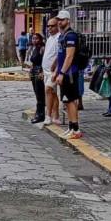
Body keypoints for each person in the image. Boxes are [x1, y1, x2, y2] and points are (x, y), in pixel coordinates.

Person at [53, 10, 82, 139]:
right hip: (63, 73)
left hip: (69, 74)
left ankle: (75, 129)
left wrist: (62, 73)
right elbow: (60, 56)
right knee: (66, 101)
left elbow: (69, 57)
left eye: (62, 20)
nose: (60, 22)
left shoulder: (70, 36)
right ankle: (71, 127)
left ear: (68, 21)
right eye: (58, 19)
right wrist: (56, 72)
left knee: (70, 101)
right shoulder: (62, 36)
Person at [42, 18, 61, 126]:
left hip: (53, 71)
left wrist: (55, 66)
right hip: (46, 71)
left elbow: (59, 54)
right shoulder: (50, 38)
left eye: (52, 26)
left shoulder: (59, 38)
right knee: (52, 93)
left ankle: (48, 115)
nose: (50, 28)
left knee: (48, 90)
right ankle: (56, 116)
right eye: (48, 26)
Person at [27, 32, 46, 124]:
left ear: (40, 39)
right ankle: (38, 112)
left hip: (39, 72)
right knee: (36, 92)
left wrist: (42, 71)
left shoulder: (42, 48)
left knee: (40, 94)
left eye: (36, 39)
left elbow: (44, 61)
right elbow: (33, 61)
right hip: (34, 72)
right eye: (33, 38)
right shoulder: (35, 49)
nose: (34, 40)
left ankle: (40, 114)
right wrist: (30, 70)